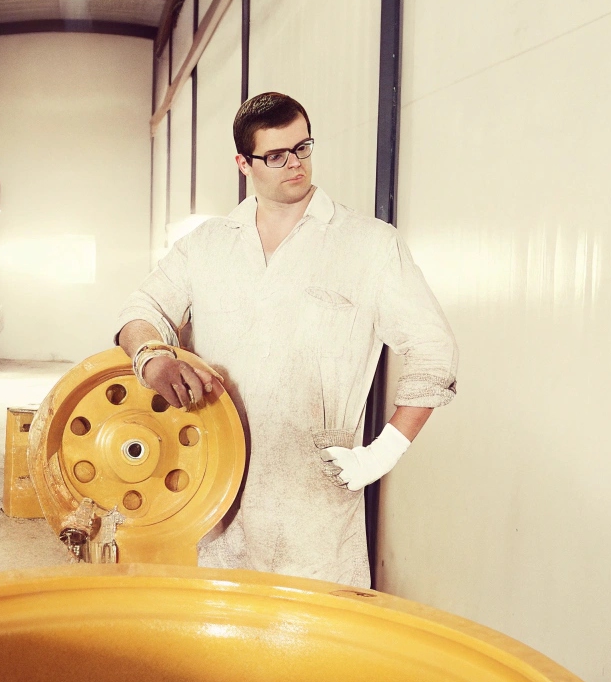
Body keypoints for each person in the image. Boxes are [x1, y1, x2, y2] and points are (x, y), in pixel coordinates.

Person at [115, 92, 458, 587]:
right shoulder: (208, 246)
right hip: (217, 493)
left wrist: (381, 454)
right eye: (276, 156)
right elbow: (141, 310)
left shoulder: (368, 245)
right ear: (243, 163)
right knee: (223, 644)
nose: (295, 165)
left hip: (315, 503)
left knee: (314, 652)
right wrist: (152, 358)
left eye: (303, 148)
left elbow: (435, 350)